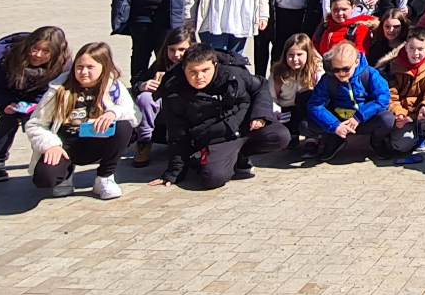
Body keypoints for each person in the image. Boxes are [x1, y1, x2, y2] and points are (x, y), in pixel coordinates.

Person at [150, 45, 290, 189]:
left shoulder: (234, 73)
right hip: (215, 138)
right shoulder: (174, 90)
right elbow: (177, 133)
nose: (199, 77)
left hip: (243, 126)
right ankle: (203, 159)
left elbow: (260, 86)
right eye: (193, 72)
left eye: (205, 70)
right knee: (212, 178)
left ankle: (239, 157)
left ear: (215, 65)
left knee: (280, 135)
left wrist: (260, 115)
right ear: (184, 68)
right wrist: (174, 173)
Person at [25, 42, 138, 200]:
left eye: (90, 67)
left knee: (124, 126)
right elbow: (35, 124)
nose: (83, 72)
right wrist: (50, 145)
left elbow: (133, 114)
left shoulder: (113, 87)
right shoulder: (59, 89)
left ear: (104, 67)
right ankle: (65, 175)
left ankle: (105, 177)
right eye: (79, 67)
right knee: (45, 179)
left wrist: (113, 112)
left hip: (97, 141)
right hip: (66, 145)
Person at [0, 27, 70, 183]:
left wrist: (36, 104)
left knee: (43, 123)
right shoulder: (5, 59)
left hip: (35, 96)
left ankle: (46, 157)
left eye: (45, 52)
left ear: (56, 53)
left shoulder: (61, 64)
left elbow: (52, 88)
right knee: (8, 121)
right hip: (5, 90)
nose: (38, 55)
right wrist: (4, 103)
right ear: (28, 45)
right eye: (35, 48)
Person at [307, 43, 396, 162]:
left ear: (356, 62)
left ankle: (377, 142)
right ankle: (335, 139)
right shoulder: (328, 79)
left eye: (345, 69)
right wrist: (334, 125)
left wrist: (359, 116)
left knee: (387, 119)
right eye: (336, 69)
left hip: (364, 119)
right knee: (307, 124)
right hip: (339, 120)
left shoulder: (370, 74)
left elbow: (383, 98)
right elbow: (315, 105)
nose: (341, 73)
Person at [381, 27, 425, 164]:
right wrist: (399, 113)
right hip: (403, 112)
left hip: (420, 111)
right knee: (402, 145)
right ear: (405, 46)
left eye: (420, 49)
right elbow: (391, 95)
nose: (415, 53)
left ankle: (422, 134)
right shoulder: (394, 66)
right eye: (411, 48)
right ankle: (401, 135)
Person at [131, 29, 194, 166]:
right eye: (172, 50)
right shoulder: (162, 64)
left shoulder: (198, 64)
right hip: (163, 112)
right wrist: (143, 85)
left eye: (182, 49)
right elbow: (136, 84)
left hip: (188, 112)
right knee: (145, 98)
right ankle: (144, 142)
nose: (176, 55)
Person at [269, 33, 321, 151]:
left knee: (306, 96)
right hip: (286, 110)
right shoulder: (278, 73)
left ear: (308, 54)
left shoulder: (316, 71)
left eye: (299, 54)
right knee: (282, 138)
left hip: (307, 110)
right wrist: (275, 110)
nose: (295, 59)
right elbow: (270, 97)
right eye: (291, 55)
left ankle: (312, 137)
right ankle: (291, 135)